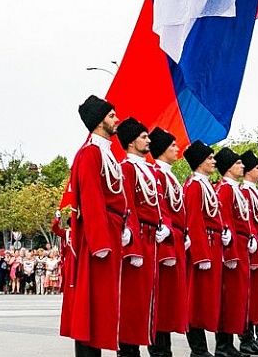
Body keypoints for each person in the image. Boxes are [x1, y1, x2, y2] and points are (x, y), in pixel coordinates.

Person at [59, 95, 130, 357]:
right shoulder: (90, 153)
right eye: (112, 116)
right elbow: (90, 197)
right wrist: (99, 241)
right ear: (100, 121)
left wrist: (123, 228)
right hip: (96, 238)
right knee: (92, 303)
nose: (117, 119)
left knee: (104, 303)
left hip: (111, 231)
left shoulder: (106, 152)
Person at [115, 117, 161, 357]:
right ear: (132, 142)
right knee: (132, 300)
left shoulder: (148, 169)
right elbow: (128, 206)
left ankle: (139, 345)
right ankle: (128, 350)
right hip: (139, 238)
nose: (149, 140)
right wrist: (132, 246)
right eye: (144, 137)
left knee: (147, 299)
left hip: (152, 238)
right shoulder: (127, 168)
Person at [148, 127, 189, 357]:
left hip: (176, 241)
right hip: (164, 245)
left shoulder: (170, 175)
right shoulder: (157, 174)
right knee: (159, 303)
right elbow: (160, 212)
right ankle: (159, 350)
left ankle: (165, 349)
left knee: (169, 302)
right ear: (163, 149)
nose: (177, 149)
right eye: (173, 145)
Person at [183, 140, 222, 357]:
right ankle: (198, 349)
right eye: (209, 158)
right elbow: (194, 220)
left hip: (212, 244)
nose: (213, 161)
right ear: (200, 162)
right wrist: (200, 254)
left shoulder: (205, 184)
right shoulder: (194, 185)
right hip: (203, 247)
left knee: (206, 300)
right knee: (196, 301)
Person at [215, 147, 251, 357]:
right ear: (228, 167)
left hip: (241, 245)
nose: (242, 166)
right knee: (228, 299)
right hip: (232, 247)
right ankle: (223, 344)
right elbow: (226, 220)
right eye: (238, 163)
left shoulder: (234, 188)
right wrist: (230, 252)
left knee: (236, 298)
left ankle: (229, 343)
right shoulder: (225, 189)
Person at [238, 150, 258, 355]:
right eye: (257, 168)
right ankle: (246, 337)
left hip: (257, 246)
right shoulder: (245, 192)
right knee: (246, 295)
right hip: (249, 246)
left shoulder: (254, 193)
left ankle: (256, 335)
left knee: (256, 294)